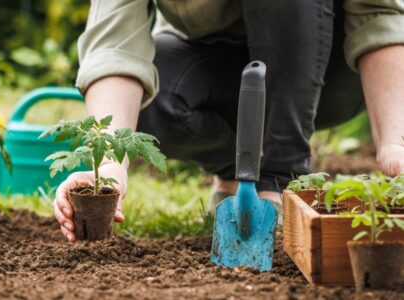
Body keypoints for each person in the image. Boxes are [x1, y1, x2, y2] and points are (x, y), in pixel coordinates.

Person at [54, 0, 404, 242]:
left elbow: (378, 14)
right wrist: (113, 165)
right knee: (151, 99)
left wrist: (395, 142)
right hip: (216, 67)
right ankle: (240, 175)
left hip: (327, 71)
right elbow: (114, 46)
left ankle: (281, 177)